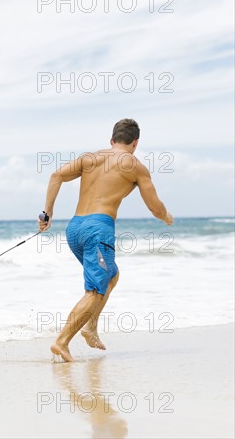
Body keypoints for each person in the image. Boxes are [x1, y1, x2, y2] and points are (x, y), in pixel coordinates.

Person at [38, 118, 173, 362]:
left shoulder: (90, 158)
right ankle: (62, 341)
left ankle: (90, 328)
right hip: (98, 229)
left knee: (111, 276)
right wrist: (167, 218)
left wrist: (47, 214)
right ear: (135, 143)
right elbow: (155, 208)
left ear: (111, 140)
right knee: (95, 291)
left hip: (75, 228)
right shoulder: (134, 165)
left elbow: (56, 175)